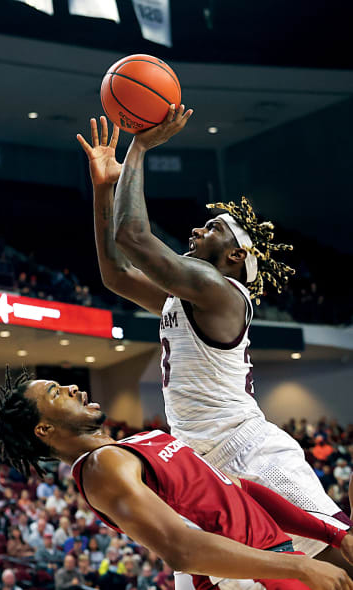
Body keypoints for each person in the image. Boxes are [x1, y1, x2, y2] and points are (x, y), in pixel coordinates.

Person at [78, 112, 351, 570]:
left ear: (234, 256)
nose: (195, 231)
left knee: (337, 554)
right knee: (248, 576)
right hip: (200, 463)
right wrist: (104, 188)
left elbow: (133, 236)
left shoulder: (220, 292)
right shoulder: (189, 294)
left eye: (211, 229)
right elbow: (117, 273)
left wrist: (139, 149)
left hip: (249, 449)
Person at [0, 367, 353, 590]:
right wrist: (301, 565)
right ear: (45, 428)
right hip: (244, 579)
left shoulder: (138, 443)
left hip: (272, 563)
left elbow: (240, 489)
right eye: (55, 392)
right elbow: (182, 550)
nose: (71, 388)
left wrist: (333, 534)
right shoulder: (99, 466)